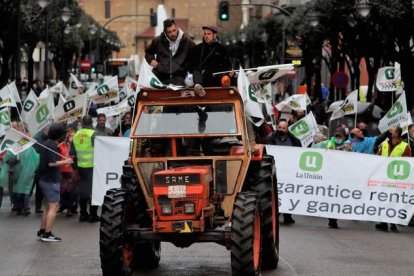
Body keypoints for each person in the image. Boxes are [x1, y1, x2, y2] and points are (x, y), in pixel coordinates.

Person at [37, 123, 73, 242]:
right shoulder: (51, 146)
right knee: (53, 207)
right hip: (50, 180)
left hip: (44, 179)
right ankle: (48, 234)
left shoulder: (46, 144)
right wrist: (66, 161)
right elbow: (51, 163)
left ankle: (42, 230)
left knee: (47, 207)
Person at [265, 120, 301, 224]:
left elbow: (299, 151)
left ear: (287, 129)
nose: (281, 130)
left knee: (288, 193)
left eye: (283, 128)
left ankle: (287, 215)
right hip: (274, 169)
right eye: (279, 127)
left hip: (289, 170)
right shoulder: (270, 138)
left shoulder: (294, 140)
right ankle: (275, 214)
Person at [375, 126, 411, 232]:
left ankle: (393, 222)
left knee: (394, 199)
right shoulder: (385, 143)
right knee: (384, 198)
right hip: (384, 176)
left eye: (393, 130)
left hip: (396, 177)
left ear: (398, 133)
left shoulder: (405, 146)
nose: (391, 131)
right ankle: (383, 223)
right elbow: (378, 156)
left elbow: (408, 161)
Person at [145, 19, 195, 86]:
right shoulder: (158, 40)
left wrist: (186, 67)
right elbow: (148, 52)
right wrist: (151, 60)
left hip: (178, 76)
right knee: (149, 86)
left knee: (176, 92)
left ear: (177, 28)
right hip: (160, 73)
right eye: (169, 32)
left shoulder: (187, 42)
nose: (173, 34)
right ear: (165, 32)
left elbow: (195, 55)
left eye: (174, 30)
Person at [189, 25, 233, 96]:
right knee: (196, 72)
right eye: (205, 34)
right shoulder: (198, 48)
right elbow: (192, 66)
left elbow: (228, 65)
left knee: (227, 76)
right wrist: (203, 71)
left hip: (217, 76)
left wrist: (230, 70)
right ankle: (199, 88)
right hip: (203, 77)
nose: (206, 36)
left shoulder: (222, 48)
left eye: (209, 34)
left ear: (215, 35)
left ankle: (225, 90)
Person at [71, 115, 99, 222]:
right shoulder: (93, 134)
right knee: (94, 191)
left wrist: (75, 167)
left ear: (82, 123)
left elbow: (72, 153)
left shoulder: (77, 134)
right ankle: (93, 214)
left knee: (84, 191)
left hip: (81, 166)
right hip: (93, 166)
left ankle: (83, 214)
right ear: (92, 122)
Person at [324, 127, 352, 229]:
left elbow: (354, 160)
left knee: (337, 199)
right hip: (329, 176)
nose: (337, 138)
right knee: (330, 198)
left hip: (342, 177)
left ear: (344, 137)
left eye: (339, 136)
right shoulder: (328, 144)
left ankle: (333, 218)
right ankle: (331, 218)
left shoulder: (348, 148)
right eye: (336, 136)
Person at [57, 125, 77, 217]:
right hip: (63, 170)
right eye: (69, 134)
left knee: (71, 190)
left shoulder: (77, 146)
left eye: (73, 134)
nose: (71, 136)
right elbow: (58, 156)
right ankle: (63, 205)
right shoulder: (61, 145)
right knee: (63, 189)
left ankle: (70, 208)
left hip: (73, 170)